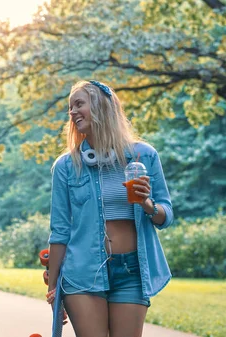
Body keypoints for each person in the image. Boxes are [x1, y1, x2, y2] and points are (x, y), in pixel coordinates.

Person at [46, 80, 174, 337]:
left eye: (79, 104)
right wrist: (54, 289)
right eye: (70, 107)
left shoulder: (144, 156)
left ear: (101, 107)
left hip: (131, 271)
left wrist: (146, 204)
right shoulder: (66, 166)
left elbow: (166, 215)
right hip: (82, 272)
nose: (72, 112)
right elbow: (59, 231)